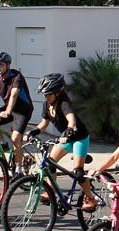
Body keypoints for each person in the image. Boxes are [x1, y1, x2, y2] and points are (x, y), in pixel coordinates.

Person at [27, 73, 95, 210]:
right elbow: (44, 124)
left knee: (78, 172)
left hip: (79, 137)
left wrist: (69, 129)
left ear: (58, 92)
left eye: (49, 94)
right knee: (49, 164)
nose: (46, 97)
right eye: (44, 94)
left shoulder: (64, 103)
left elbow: (71, 119)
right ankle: (51, 191)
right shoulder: (47, 105)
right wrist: (33, 131)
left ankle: (91, 198)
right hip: (65, 138)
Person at [0, 51, 33, 174]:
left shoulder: (16, 76)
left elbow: (14, 95)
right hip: (9, 108)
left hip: (23, 110)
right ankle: (3, 143)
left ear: (8, 65)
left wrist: (8, 111)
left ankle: (18, 170)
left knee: (15, 138)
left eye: (1, 64)